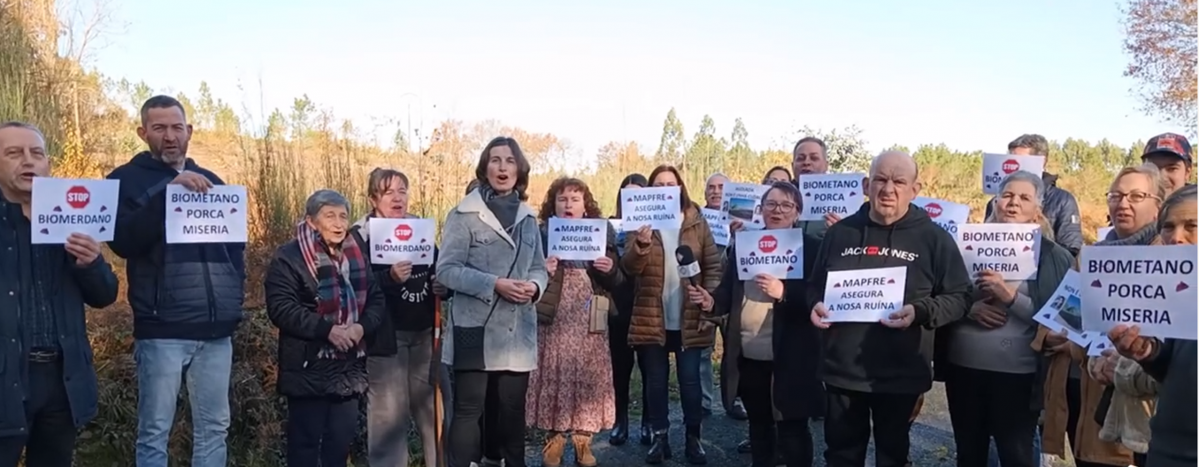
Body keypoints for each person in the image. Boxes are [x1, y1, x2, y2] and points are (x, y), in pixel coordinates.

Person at [105, 95, 245, 467]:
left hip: (216, 332)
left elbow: (234, 249)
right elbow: (122, 242)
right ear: (143, 133)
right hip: (162, 330)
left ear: (189, 131)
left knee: (214, 429)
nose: (170, 136)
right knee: (155, 431)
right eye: (159, 128)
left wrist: (233, 300)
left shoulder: (214, 182)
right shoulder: (123, 180)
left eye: (176, 127)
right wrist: (166, 196)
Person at [807, 150, 972, 467]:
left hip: (901, 374)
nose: (888, 189)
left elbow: (960, 296)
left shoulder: (934, 239)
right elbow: (815, 285)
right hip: (843, 372)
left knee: (893, 456)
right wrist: (814, 303)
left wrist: (920, 311)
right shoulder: (840, 233)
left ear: (915, 189)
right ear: (866, 185)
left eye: (899, 181)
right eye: (880, 180)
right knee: (841, 456)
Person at [0, 122, 119, 467]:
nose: (28, 161)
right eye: (14, 153)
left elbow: (104, 296)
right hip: (7, 378)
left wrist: (92, 264)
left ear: (48, 164)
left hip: (62, 379)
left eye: (37, 153)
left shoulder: (72, 219)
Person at [939, 171, 1073, 467]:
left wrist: (1011, 297)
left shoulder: (1055, 256)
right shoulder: (964, 246)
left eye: (1024, 197)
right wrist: (968, 309)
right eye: (1008, 195)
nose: (1014, 203)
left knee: (1017, 456)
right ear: (996, 201)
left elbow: (1063, 320)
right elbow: (942, 297)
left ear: (1037, 208)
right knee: (969, 454)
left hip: (1018, 376)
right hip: (963, 369)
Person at [1039, 164, 1167, 467]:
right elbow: (1064, 319)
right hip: (1084, 403)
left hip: (1137, 420)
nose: (1123, 203)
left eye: (1136, 196)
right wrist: (1058, 337)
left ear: (1158, 206)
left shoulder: (1171, 260)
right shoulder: (1089, 256)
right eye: (1116, 195)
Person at [693, 181, 825, 467]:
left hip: (792, 357)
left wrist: (784, 292)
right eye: (771, 204)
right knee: (759, 426)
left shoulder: (812, 248)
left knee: (793, 431)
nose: (777, 210)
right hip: (750, 355)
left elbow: (820, 296)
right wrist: (710, 302)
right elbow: (727, 291)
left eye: (786, 205)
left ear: (797, 212)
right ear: (761, 209)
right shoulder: (745, 244)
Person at [439, 136, 548, 467]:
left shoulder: (528, 219)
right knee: (469, 410)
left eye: (510, 161)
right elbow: (446, 270)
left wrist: (534, 287)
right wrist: (493, 284)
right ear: (485, 168)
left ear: (519, 170)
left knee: (512, 413)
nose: (503, 167)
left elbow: (538, 268)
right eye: (496, 160)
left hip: (518, 331)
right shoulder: (464, 215)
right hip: (474, 329)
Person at [265, 189, 385, 467]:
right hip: (308, 364)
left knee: (339, 445)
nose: (338, 223)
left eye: (343, 216)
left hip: (349, 367)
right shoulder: (289, 257)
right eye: (330, 216)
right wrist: (327, 330)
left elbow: (376, 299)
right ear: (311, 221)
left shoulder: (356, 254)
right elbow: (281, 308)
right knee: (304, 446)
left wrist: (360, 328)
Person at [622, 165, 722, 465]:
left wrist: (709, 299)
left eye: (670, 184)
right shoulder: (640, 221)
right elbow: (629, 268)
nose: (665, 189)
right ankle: (660, 437)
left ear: (680, 187)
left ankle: (693, 438)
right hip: (653, 316)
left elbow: (713, 267)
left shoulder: (696, 221)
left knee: (690, 381)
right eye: (659, 185)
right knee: (656, 382)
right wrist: (641, 246)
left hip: (689, 315)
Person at [350, 168, 444, 467]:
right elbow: (354, 287)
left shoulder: (420, 230)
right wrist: (389, 278)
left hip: (425, 335)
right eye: (388, 192)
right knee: (388, 418)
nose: (397, 198)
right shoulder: (359, 237)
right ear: (373, 199)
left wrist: (444, 285)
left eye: (402, 191)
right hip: (385, 339)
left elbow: (440, 270)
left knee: (434, 413)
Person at [1097, 184, 1196, 467]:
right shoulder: (1178, 296)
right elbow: (1176, 369)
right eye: (1168, 227)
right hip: (1166, 451)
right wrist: (1148, 354)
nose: (1176, 237)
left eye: (1192, 226)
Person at [529, 177, 625, 467]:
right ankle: (555, 439)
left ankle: (583, 442)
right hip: (554, 315)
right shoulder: (541, 234)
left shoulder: (601, 232)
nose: (568, 205)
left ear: (586, 206)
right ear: (553, 205)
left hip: (589, 314)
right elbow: (526, 274)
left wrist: (609, 268)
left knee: (588, 374)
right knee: (554, 371)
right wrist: (543, 268)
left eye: (574, 199)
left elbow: (618, 280)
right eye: (562, 199)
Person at [983, 134, 1083, 255]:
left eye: (1020, 161)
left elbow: (1071, 249)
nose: (1014, 167)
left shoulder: (1063, 200)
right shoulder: (996, 202)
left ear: (1042, 161)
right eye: (1010, 158)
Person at [608, 173, 651, 447]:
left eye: (638, 194)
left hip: (648, 305)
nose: (632, 200)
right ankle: (620, 420)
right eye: (628, 195)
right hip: (618, 306)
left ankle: (648, 421)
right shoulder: (610, 227)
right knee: (620, 369)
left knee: (650, 369)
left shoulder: (657, 226)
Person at [697, 172, 742, 421]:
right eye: (711, 187)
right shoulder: (697, 219)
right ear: (705, 193)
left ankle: (733, 401)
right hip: (704, 292)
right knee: (703, 351)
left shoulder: (743, 220)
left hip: (731, 294)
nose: (716, 192)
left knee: (734, 351)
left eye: (721, 188)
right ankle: (704, 402)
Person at [790, 137, 837, 239]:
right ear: (792, 166)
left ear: (826, 165)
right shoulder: (777, 197)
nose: (806, 162)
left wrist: (843, 231)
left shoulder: (843, 198)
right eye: (800, 158)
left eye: (814, 158)